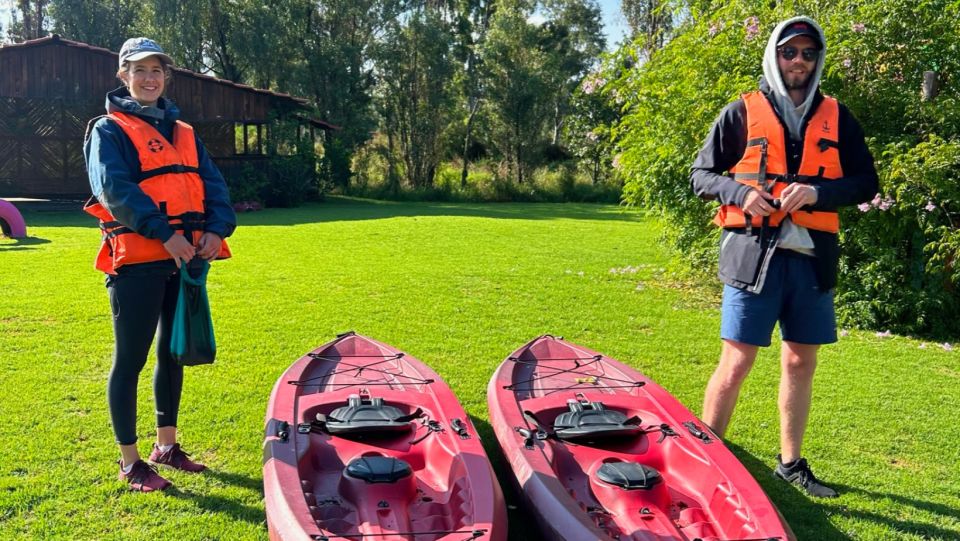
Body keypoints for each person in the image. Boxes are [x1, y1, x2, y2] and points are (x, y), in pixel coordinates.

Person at [690, 17, 878, 498]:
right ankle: (706, 458)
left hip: (812, 260)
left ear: (818, 60)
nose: (799, 61)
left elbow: (865, 183)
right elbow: (701, 175)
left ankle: (791, 464)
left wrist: (816, 192)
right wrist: (738, 191)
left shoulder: (839, 116)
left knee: (800, 362)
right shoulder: (740, 112)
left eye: (808, 53)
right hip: (752, 256)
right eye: (789, 52)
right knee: (736, 361)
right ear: (774, 54)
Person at [83, 37, 236, 492]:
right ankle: (130, 463)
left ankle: (166, 446)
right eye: (139, 70)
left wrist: (216, 227)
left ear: (165, 77)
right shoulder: (107, 130)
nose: (149, 78)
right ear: (123, 76)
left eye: (157, 70)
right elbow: (116, 191)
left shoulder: (184, 131)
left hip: (185, 258)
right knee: (129, 359)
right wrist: (163, 233)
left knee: (173, 353)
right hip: (140, 260)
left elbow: (214, 184)